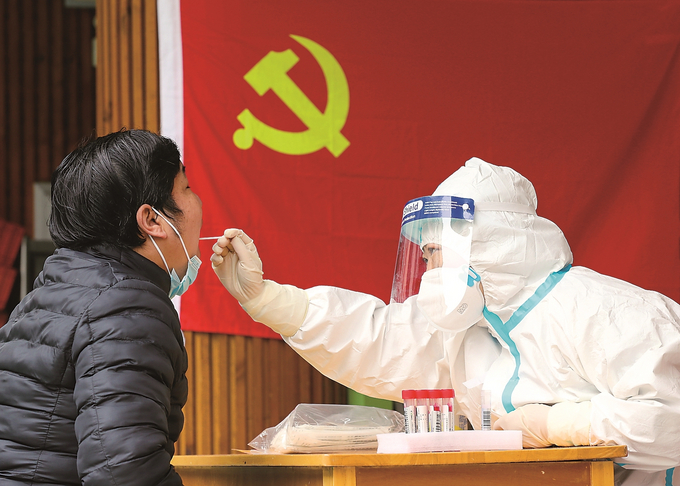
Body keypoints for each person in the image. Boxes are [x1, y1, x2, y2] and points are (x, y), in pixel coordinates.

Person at [211, 158, 680, 485]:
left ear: (488, 244)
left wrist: (557, 425)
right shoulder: (474, 327)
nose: (430, 270)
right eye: (425, 255)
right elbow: (380, 340)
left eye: (435, 253)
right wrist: (269, 300)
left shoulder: (605, 309)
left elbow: (670, 419)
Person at [0, 129, 202, 485]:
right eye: (185, 188)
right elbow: (124, 473)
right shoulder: (128, 306)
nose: (196, 200)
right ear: (152, 220)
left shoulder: (48, 293)